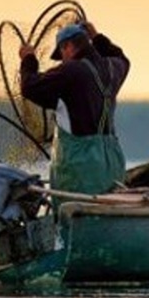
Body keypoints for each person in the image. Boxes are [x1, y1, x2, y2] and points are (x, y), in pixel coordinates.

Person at [19, 21, 129, 196]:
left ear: (68, 46)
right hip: (113, 164)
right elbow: (122, 58)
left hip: (80, 168)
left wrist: (28, 59)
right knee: (107, 212)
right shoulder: (113, 67)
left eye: (61, 53)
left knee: (73, 216)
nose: (62, 60)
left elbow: (29, 87)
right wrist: (97, 37)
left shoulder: (71, 71)